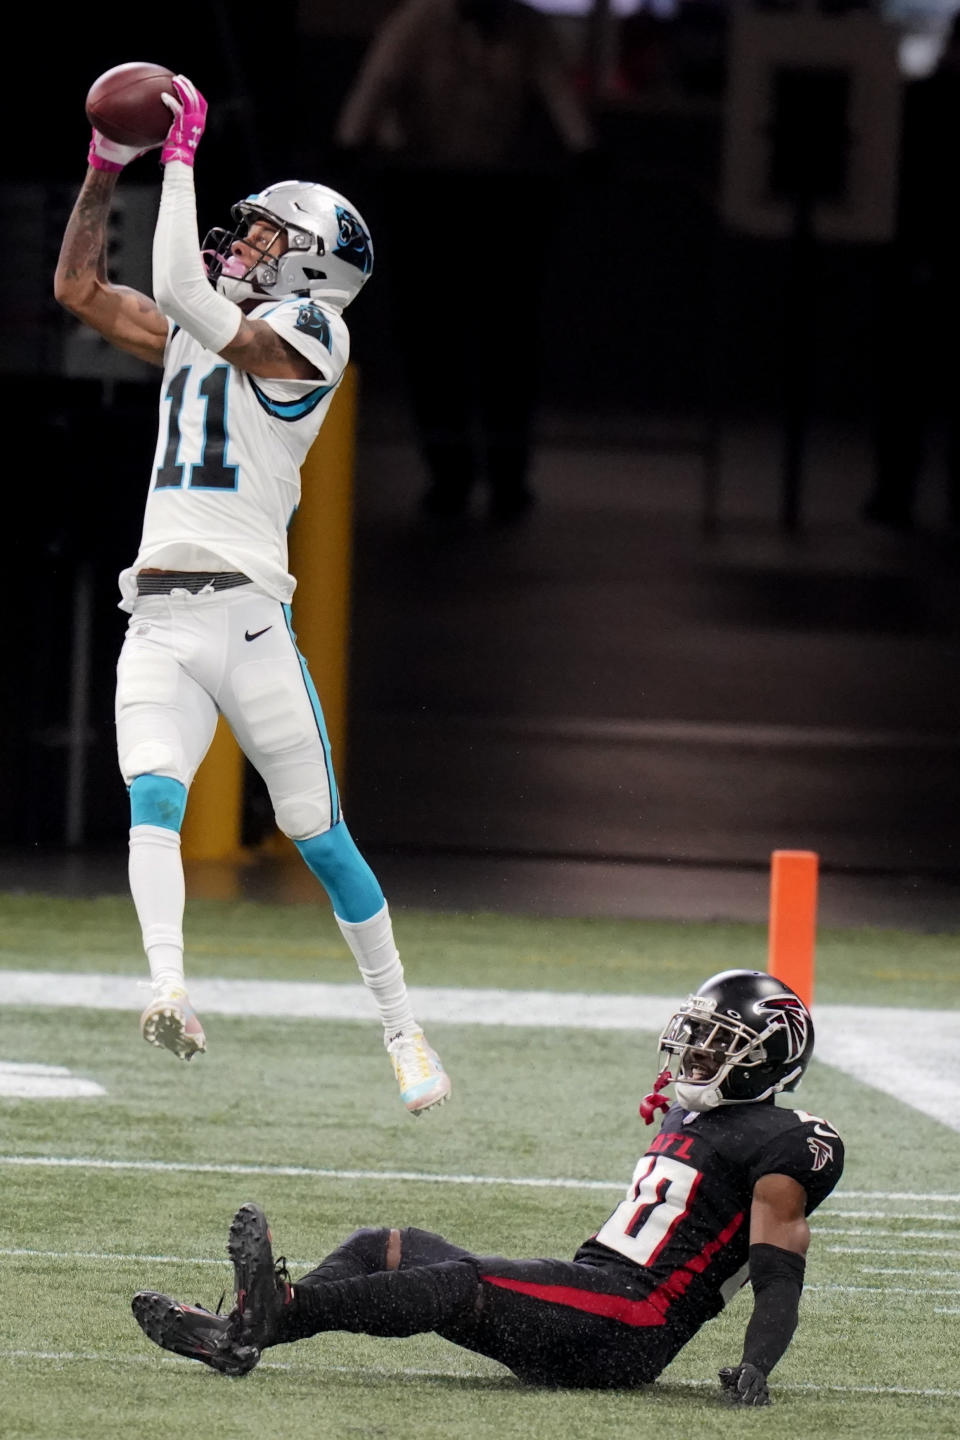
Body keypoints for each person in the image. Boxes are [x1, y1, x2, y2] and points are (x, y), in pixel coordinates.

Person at [52, 75, 450, 1115]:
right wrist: (105, 170)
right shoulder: (205, 320)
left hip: (248, 618)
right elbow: (82, 292)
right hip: (163, 618)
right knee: (152, 797)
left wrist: (178, 158)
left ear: (315, 263)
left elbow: (186, 292)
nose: (250, 244)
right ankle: (171, 990)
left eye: (273, 237)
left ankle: (403, 1030)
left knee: (320, 836)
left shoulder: (314, 333)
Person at [131, 968, 844, 1403]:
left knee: (462, 1281)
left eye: (719, 1042)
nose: (695, 1051)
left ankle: (280, 1310)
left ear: (767, 1056)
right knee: (388, 1245)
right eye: (697, 1035)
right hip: (596, 1294)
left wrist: (758, 1363)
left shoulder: (787, 1141)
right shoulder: (696, 1116)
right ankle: (249, 1333)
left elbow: (779, 1268)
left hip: (632, 1323)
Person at [333, 0, 596, 525]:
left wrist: (583, 148)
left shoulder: (525, 28)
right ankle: (449, 471)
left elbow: (558, 93)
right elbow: (378, 85)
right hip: (426, 197)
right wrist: (352, 141)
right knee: (433, 340)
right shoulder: (419, 23)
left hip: (498, 199)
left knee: (507, 342)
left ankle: (507, 474)